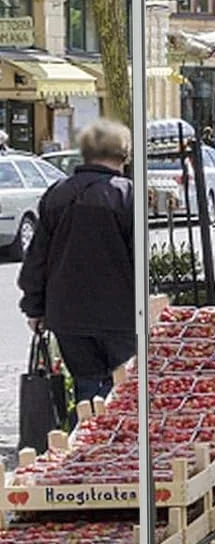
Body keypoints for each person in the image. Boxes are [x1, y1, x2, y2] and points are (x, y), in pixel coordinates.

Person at [19, 119, 134, 407]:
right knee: (124, 390)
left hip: (67, 314)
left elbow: (37, 257)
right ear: (123, 155)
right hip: (120, 315)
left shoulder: (58, 193)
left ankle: (87, 444)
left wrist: (34, 307)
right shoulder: (126, 195)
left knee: (87, 387)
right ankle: (118, 447)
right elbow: (138, 258)